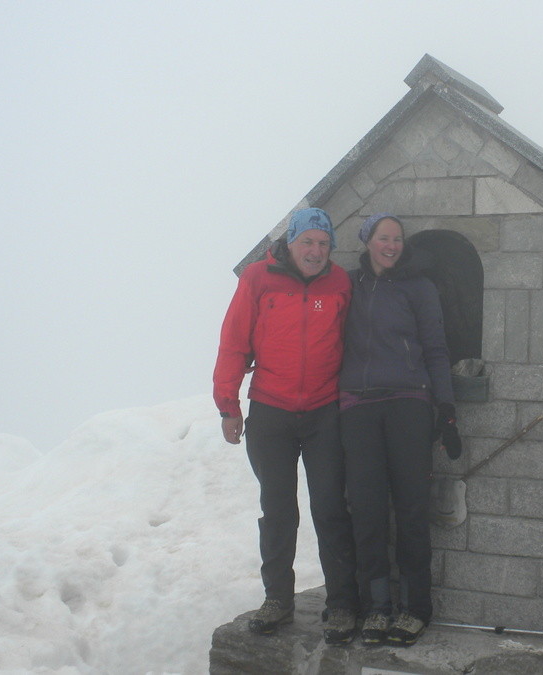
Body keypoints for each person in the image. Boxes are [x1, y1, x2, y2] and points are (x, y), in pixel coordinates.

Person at [213, 207, 360, 645]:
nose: (315, 251)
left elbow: (355, 341)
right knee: (277, 510)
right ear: (291, 243)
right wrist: (227, 406)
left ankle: (342, 604)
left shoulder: (340, 284)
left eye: (323, 243)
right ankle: (278, 599)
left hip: (323, 410)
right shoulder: (258, 279)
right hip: (271, 411)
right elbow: (234, 341)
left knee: (331, 508)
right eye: (307, 242)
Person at [338, 212, 461, 647]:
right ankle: (376, 608)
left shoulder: (420, 287)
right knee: (367, 512)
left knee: (411, 509)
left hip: (409, 404)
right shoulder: (347, 285)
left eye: (397, 238)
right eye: (383, 237)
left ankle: (415, 609)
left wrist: (445, 407)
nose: (391, 245)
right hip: (357, 408)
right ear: (367, 241)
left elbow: (436, 348)